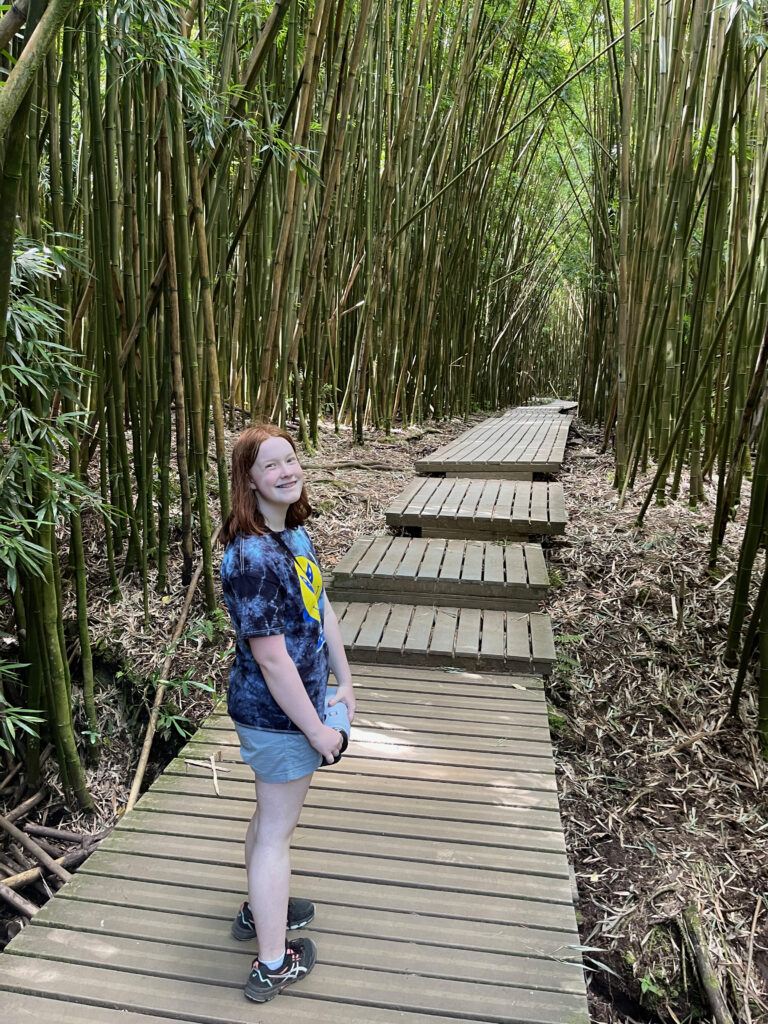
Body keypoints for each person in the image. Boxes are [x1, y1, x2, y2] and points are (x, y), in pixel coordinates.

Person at [219, 424, 355, 1003]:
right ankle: (273, 962)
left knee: (268, 817)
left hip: (299, 703)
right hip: (276, 714)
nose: (285, 471)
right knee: (277, 832)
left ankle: (258, 908)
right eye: (269, 465)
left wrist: (344, 679)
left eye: (291, 459)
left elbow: (319, 603)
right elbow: (272, 661)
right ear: (248, 480)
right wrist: (318, 730)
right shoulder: (251, 555)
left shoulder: (293, 534)